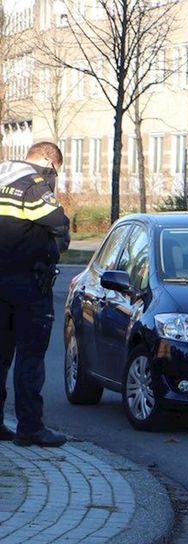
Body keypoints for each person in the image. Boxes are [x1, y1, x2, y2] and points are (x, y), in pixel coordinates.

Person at [0, 142, 71, 448]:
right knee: (30, 358)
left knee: (1, 357)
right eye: (55, 171)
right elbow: (59, 224)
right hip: (29, 286)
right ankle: (30, 428)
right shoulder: (33, 185)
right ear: (48, 162)